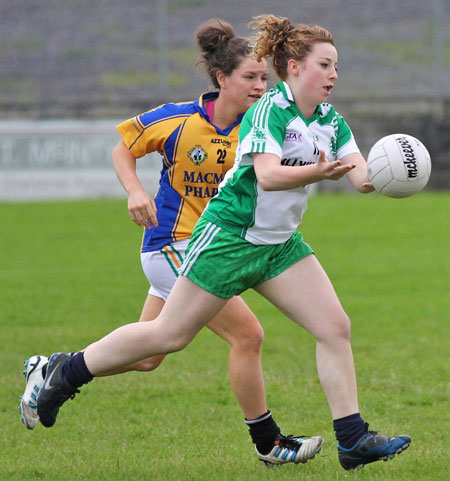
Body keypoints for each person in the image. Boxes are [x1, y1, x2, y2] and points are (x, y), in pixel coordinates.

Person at [34, 15, 412, 471]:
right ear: (294, 67)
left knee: (335, 327)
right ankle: (65, 372)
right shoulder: (268, 110)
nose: (334, 75)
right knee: (166, 338)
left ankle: (352, 440)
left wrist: (391, 174)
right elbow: (269, 176)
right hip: (228, 238)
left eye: (336, 67)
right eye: (326, 65)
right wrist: (318, 171)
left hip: (278, 246)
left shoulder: (330, 122)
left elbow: (360, 176)